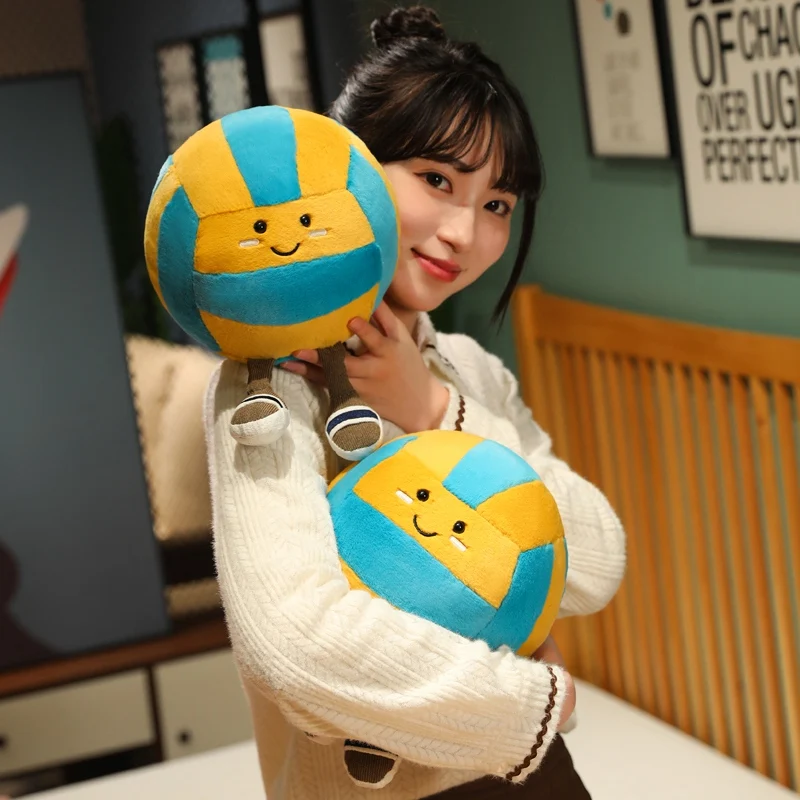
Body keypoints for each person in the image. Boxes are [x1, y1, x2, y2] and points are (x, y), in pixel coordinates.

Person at [204, 6, 626, 799]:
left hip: (532, 777)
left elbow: (597, 563)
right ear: (352, 172)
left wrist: (432, 407)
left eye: (497, 204)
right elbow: (296, 647)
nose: (465, 233)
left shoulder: (468, 372)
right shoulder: (269, 386)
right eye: (437, 180)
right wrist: (539, 700)